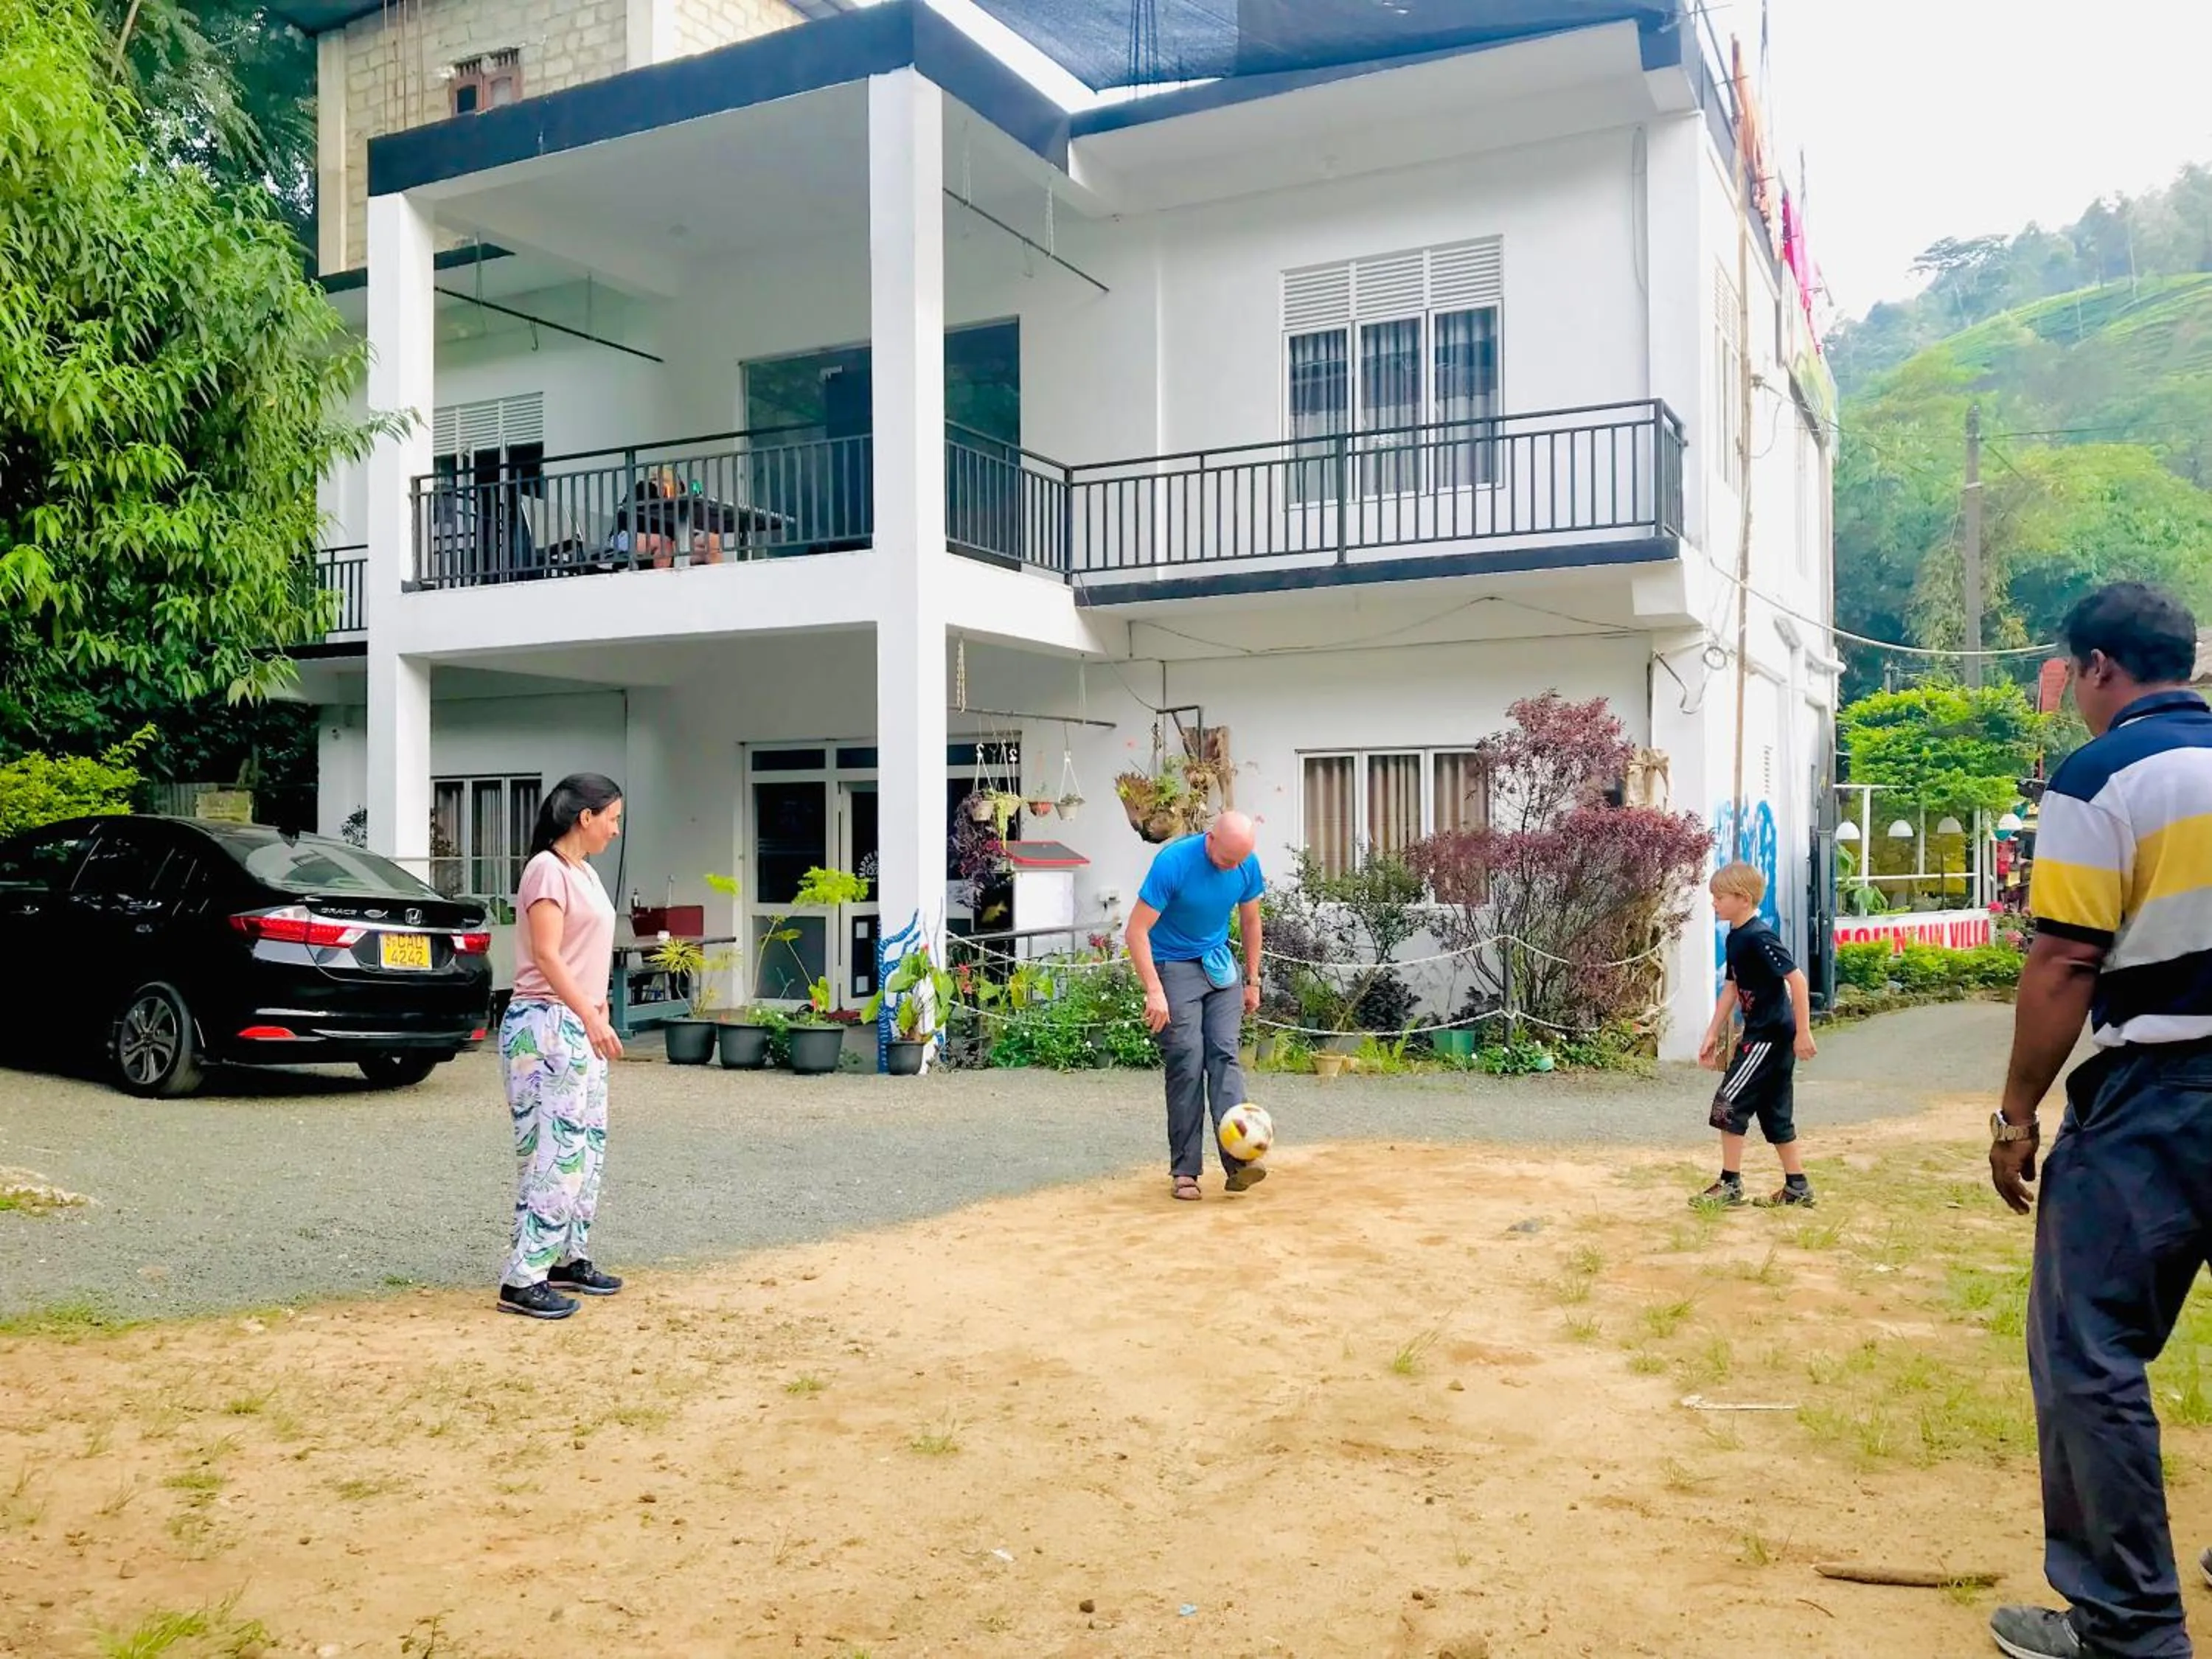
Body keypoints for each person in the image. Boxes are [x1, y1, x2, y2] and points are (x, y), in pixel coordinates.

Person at [1986, 582, 2212, 1659]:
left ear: (2099, 669)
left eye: (2072, 674)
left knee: (2091, 1351)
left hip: (2160, 1095)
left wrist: (2017, 1109)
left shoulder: (2107, 772)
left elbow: (2068, 955)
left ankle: (2128, 1627)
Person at [496, 773, 627, 1320]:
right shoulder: (546, 871)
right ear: (586, 817)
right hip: (546, 1024)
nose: (616, 830)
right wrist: (586, 1015)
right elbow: (548, 956)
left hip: (577, 1022)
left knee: (586, 1146)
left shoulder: (585, 873)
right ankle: (523, 1277)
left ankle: (564, 1255)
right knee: (556, 1151)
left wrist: (596, 1013)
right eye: (613, 819)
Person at [1126, 810, 1265, 1201]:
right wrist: (1154, 990)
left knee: (1225, 1056)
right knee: (1187, 1060)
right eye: (1227, 859)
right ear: (1211, 839)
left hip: (1219, 966)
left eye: (1240, 860)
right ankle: (1185, 1171)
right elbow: (1136, 931)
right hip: (1173, 966)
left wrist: (1253, 979)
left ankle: (1239, 1163)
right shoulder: (1174, 862)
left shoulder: (1245, 863)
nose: (1233, 867)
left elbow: (1251, 921)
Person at [1694, 860, 1817, 1209]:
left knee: (1728, 1104)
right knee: (1774, 1111)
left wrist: (1803, 1033)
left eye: (1719, 897)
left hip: (1768, 1038)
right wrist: (1713, 1032)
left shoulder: (1759, 936)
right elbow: (1732, 988)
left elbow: (1797, 980)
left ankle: (1730, 1184)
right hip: (1763, 1035)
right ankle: (1797, 1186)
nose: (1714, 903)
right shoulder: (1735, 937)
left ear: (1743, 899)